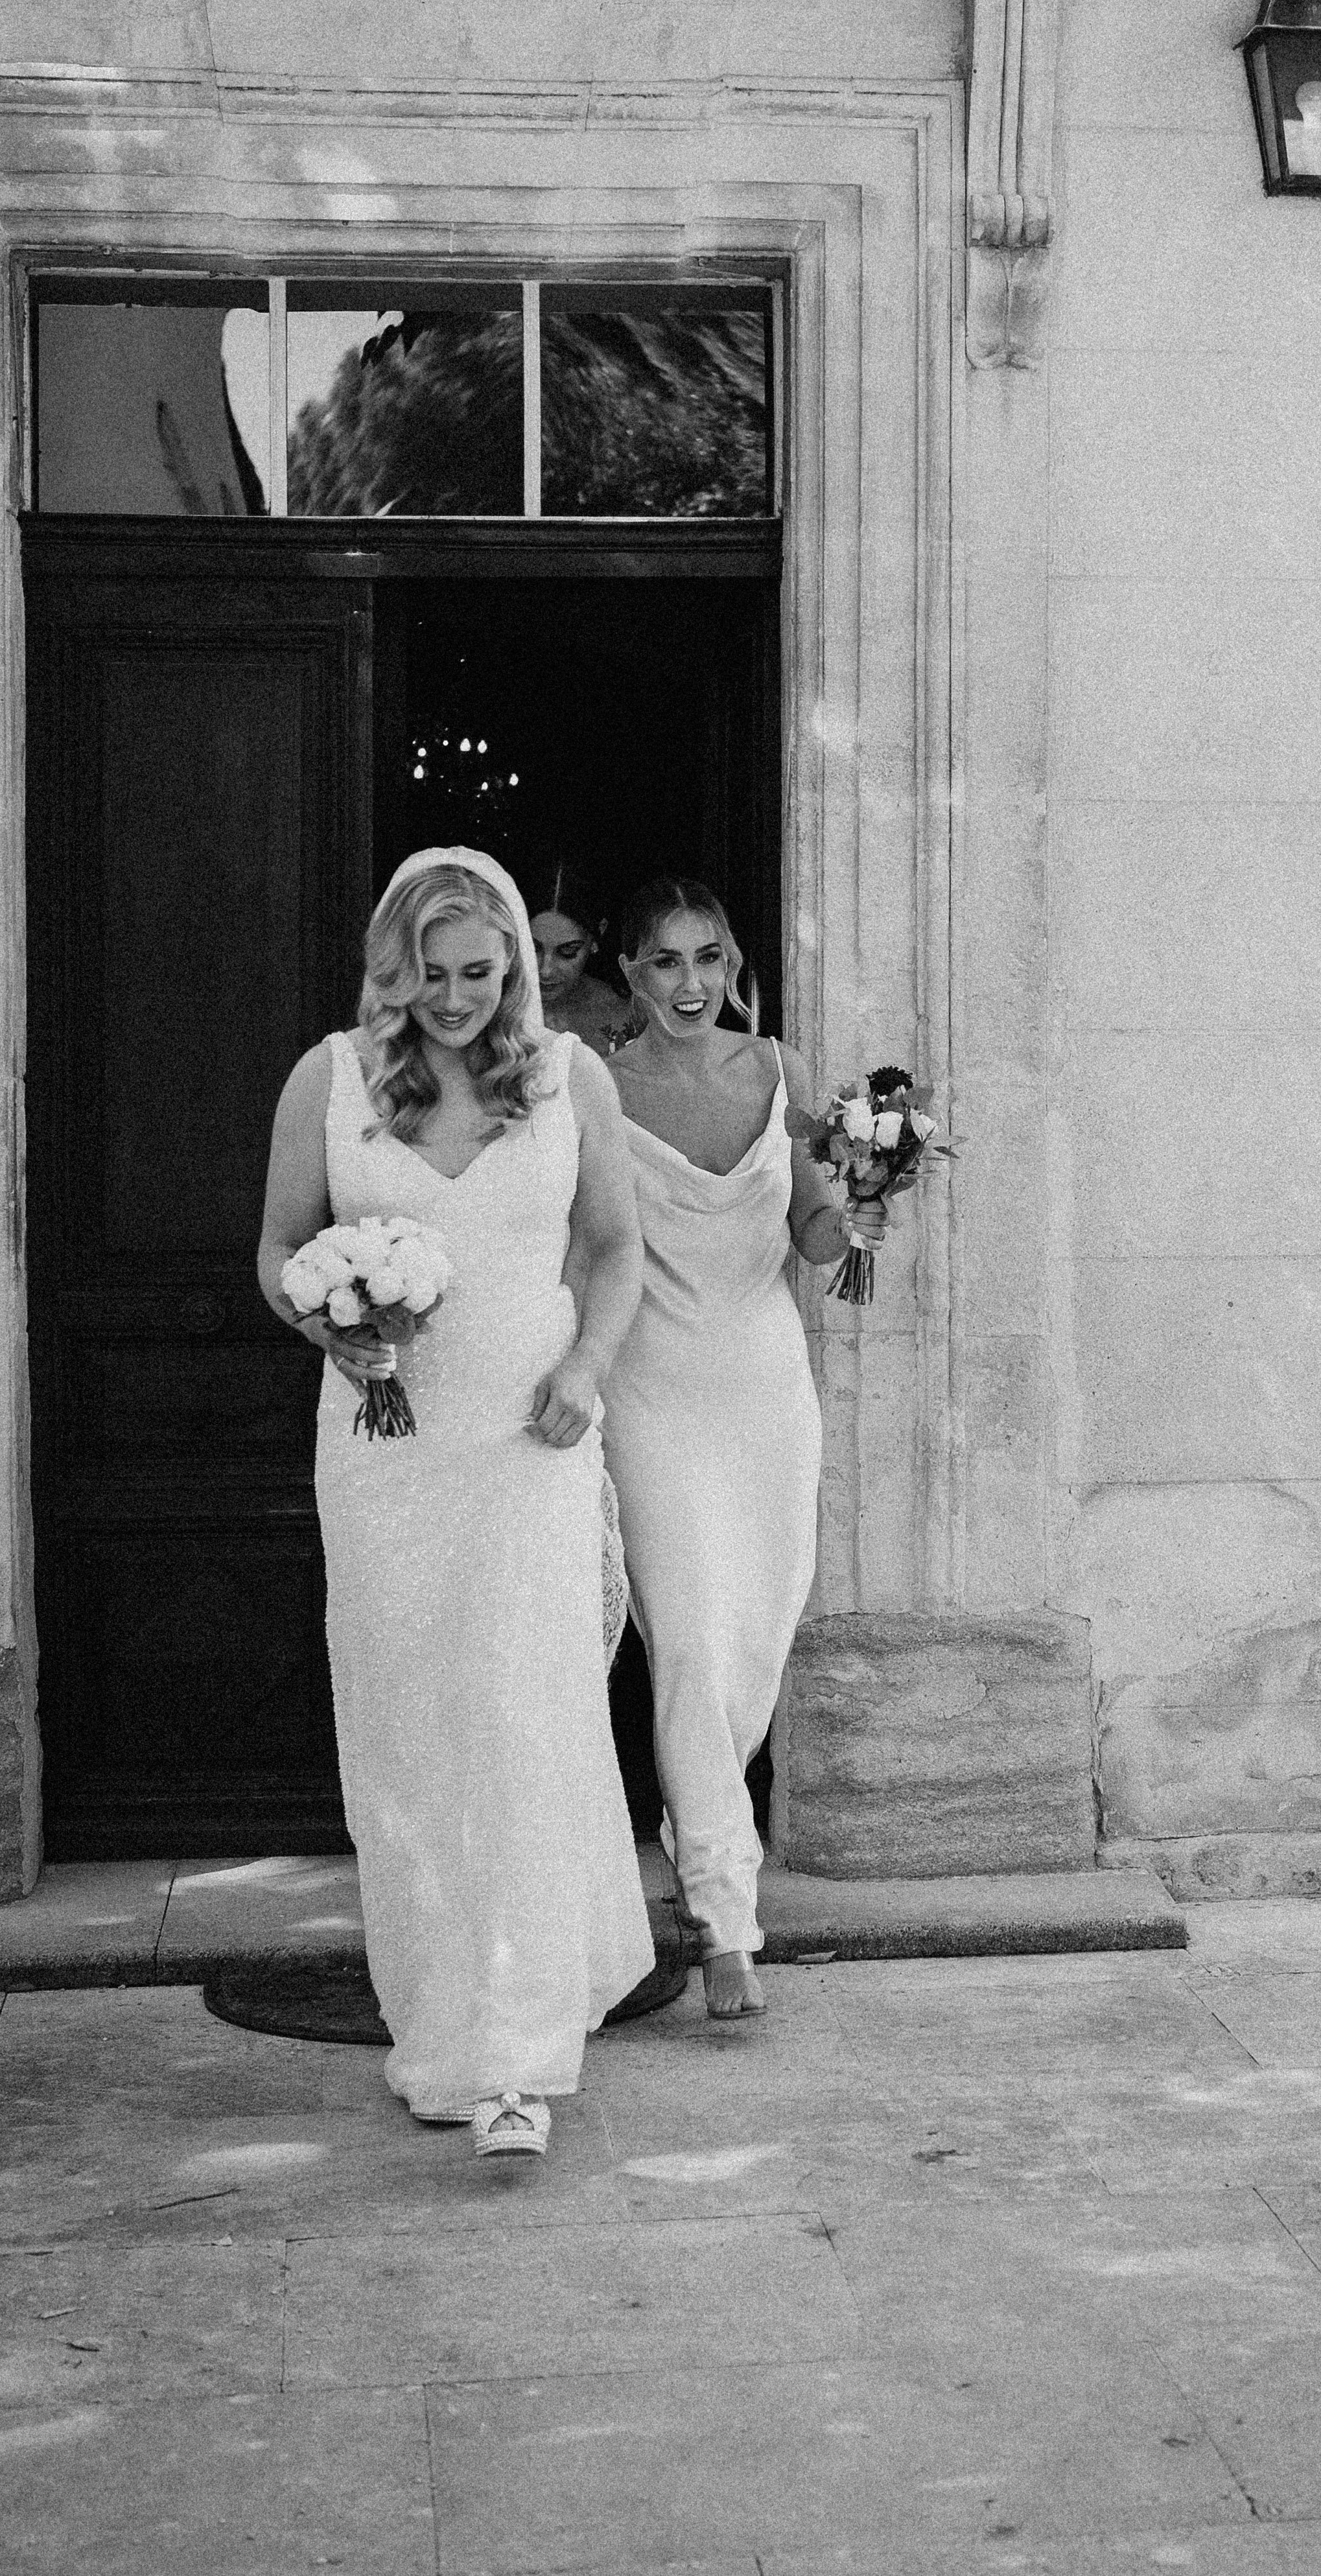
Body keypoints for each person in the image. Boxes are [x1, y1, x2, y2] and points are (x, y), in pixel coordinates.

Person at [253, 847, 655, 2159]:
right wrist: (332, 1325)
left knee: (524, 1719)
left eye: (481, 972)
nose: (457, 997)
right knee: (410, 1727)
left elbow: (613, 1248)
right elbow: (274, 1250)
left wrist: (585, 1372)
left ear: (519, 969)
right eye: (429, 974)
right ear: (391, 966)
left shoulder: (568, 1078)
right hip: (388, 1457)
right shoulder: (330, 1078)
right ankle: (439, 2022)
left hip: (530, 1444)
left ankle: (519, 2058)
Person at [598, 876, 872, 2021]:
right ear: (628, 976)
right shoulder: (598, 1089)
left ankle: (697, 1837)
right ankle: (724, 1917)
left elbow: (810, 1233)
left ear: (734, 960)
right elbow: (587, 1247)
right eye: (664, 961)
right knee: (695, 1645)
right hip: (652, 1389)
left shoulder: (778, 1071)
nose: (691, 983)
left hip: (766, 1390)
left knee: (754, 1640)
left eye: (707, 957)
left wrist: (861, 1201)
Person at [526, 858, 641, 1053]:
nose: (545, 971)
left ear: (597, 936)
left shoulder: (623, 1016)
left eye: (568, 953)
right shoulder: (491, 1003)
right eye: (532, 948)